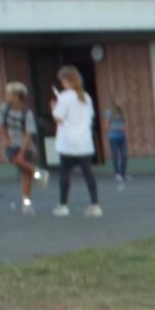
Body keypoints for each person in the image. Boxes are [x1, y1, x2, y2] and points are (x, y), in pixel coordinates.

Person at [49, 65, 100, 217]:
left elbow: (58, 118)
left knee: (65, 174)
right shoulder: (86, 97)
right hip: (84, 142)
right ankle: (95, 205)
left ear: (66, 80)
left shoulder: (65, 97)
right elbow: (90, 117)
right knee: (88, 174)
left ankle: (63, 205)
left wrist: (53, 107)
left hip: (68, 142)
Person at [0, 82, 48, 214]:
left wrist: (22, 151)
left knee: (26, 175)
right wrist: (7, 140)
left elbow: (28, 134)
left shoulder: (27, 113)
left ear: (16, 96)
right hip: (12, 143)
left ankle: (26, 204)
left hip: (26, 145)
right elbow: (2, 125)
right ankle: (39, 173)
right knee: (15, 160)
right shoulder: (4, 109)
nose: (6, 96)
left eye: (8, 94)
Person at [103, 99, 129, 185]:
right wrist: (118, 128)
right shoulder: (109, 112)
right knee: (115, 156)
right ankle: (117, 173)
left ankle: (123, 173)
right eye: (119, 102)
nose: (120, 103)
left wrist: (124, 128)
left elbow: (125, 123)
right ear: (114, 103)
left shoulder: (122, 112)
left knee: (124, 155)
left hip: (122, 137)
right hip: (113, 137)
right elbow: (106, 125)